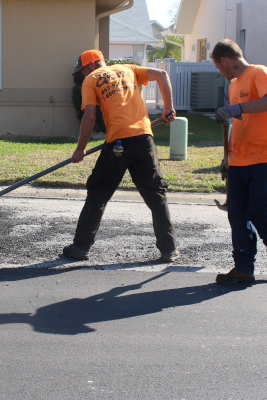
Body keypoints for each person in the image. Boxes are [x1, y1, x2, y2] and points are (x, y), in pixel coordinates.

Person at [63, 49, 179, 263]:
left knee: (98, 194)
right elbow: (162, 75)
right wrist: (168, 108)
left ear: (90, 66)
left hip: (117, 143)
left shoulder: (91, 79)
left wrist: (80, 149)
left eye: (82, 70)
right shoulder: (128, 69)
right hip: (144, 140)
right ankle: (168, 249)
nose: (82, 75)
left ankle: (80, 247)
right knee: (156, 196)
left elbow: (89, 117)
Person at [211, 39, 267, 284]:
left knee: (257, 207)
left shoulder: (259, 72)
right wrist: (227, 157)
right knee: (237, 214)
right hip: (239, 157)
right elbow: (240, 120)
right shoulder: (233, 85)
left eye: (218, 67)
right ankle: (244, 267)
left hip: (263, 154)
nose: (219, 72)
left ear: (224, 60)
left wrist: (236, 108)